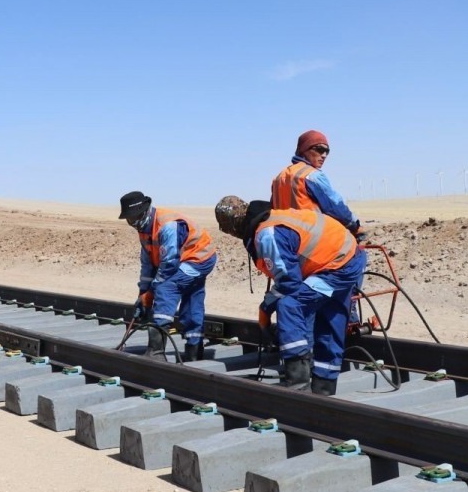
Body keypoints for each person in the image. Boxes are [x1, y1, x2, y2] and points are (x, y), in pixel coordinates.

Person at [214, 195, 366, 395]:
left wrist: (265, 309)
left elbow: (289, 284)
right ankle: (324, 388)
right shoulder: (274, 219)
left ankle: (298, 382)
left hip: (335, 266)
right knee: (329, 320)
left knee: (289, 305)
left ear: (233, 226)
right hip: (349, 258)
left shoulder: (267, 233)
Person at [119, 191, 218, 361]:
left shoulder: (167, 225)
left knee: (167, 288)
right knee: (192, 297)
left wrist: (151, 293)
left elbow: (169, 264)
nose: (133, 223)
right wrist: (142, 293)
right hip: (187, 260)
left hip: (198, 258)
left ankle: (156, 352)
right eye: (129, 220)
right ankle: (194, 351)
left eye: (135, 218)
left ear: (144, 212)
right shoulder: (144, 229)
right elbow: (148, 264)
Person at [271, 130, 363, 238]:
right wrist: (355, 226)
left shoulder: (279, 177)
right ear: (304, 150)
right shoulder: (311, 175)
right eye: (320, 149)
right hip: (310, 238)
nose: (324, 155)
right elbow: (334, 207)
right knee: (352, 247)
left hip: (282, 238)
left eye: (327, 151)